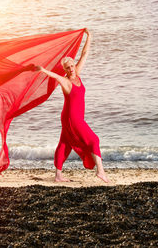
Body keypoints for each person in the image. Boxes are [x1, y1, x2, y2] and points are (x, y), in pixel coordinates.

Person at [36, 29, 109, 183]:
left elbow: (84, 54)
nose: (71, 69)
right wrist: (43, 70)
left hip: (72, 117)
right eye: (68, 68)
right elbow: (55, 76)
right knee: (94, 140)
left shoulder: (78, 74)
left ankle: (58, 176)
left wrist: (90, 36)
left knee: (64, 143)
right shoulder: (66, 82)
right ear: (65, 70)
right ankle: (101, 171)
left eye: (72, 66)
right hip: (72, 118)